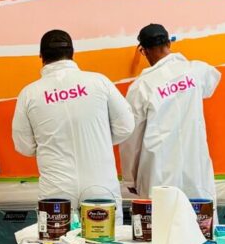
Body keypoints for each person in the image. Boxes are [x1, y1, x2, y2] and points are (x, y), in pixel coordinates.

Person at [12, 30, 135, 223]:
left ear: (41, 56)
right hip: (100, 184)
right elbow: (126, 126)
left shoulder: (29, 94)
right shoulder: (99, 82)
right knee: (105, 240)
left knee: (56, 241)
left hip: (56, 189)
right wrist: (97, 139)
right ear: (72, 52)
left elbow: (24, 146)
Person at [120, 23, 221, 208]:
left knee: (161, 221)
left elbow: (130, 137)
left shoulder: (141, 86)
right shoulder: (197, 70)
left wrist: (130, 178)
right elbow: (213, 80)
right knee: (200, 220)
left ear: (144, 51)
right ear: (169, 43)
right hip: (195, 168)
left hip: (158, 172)